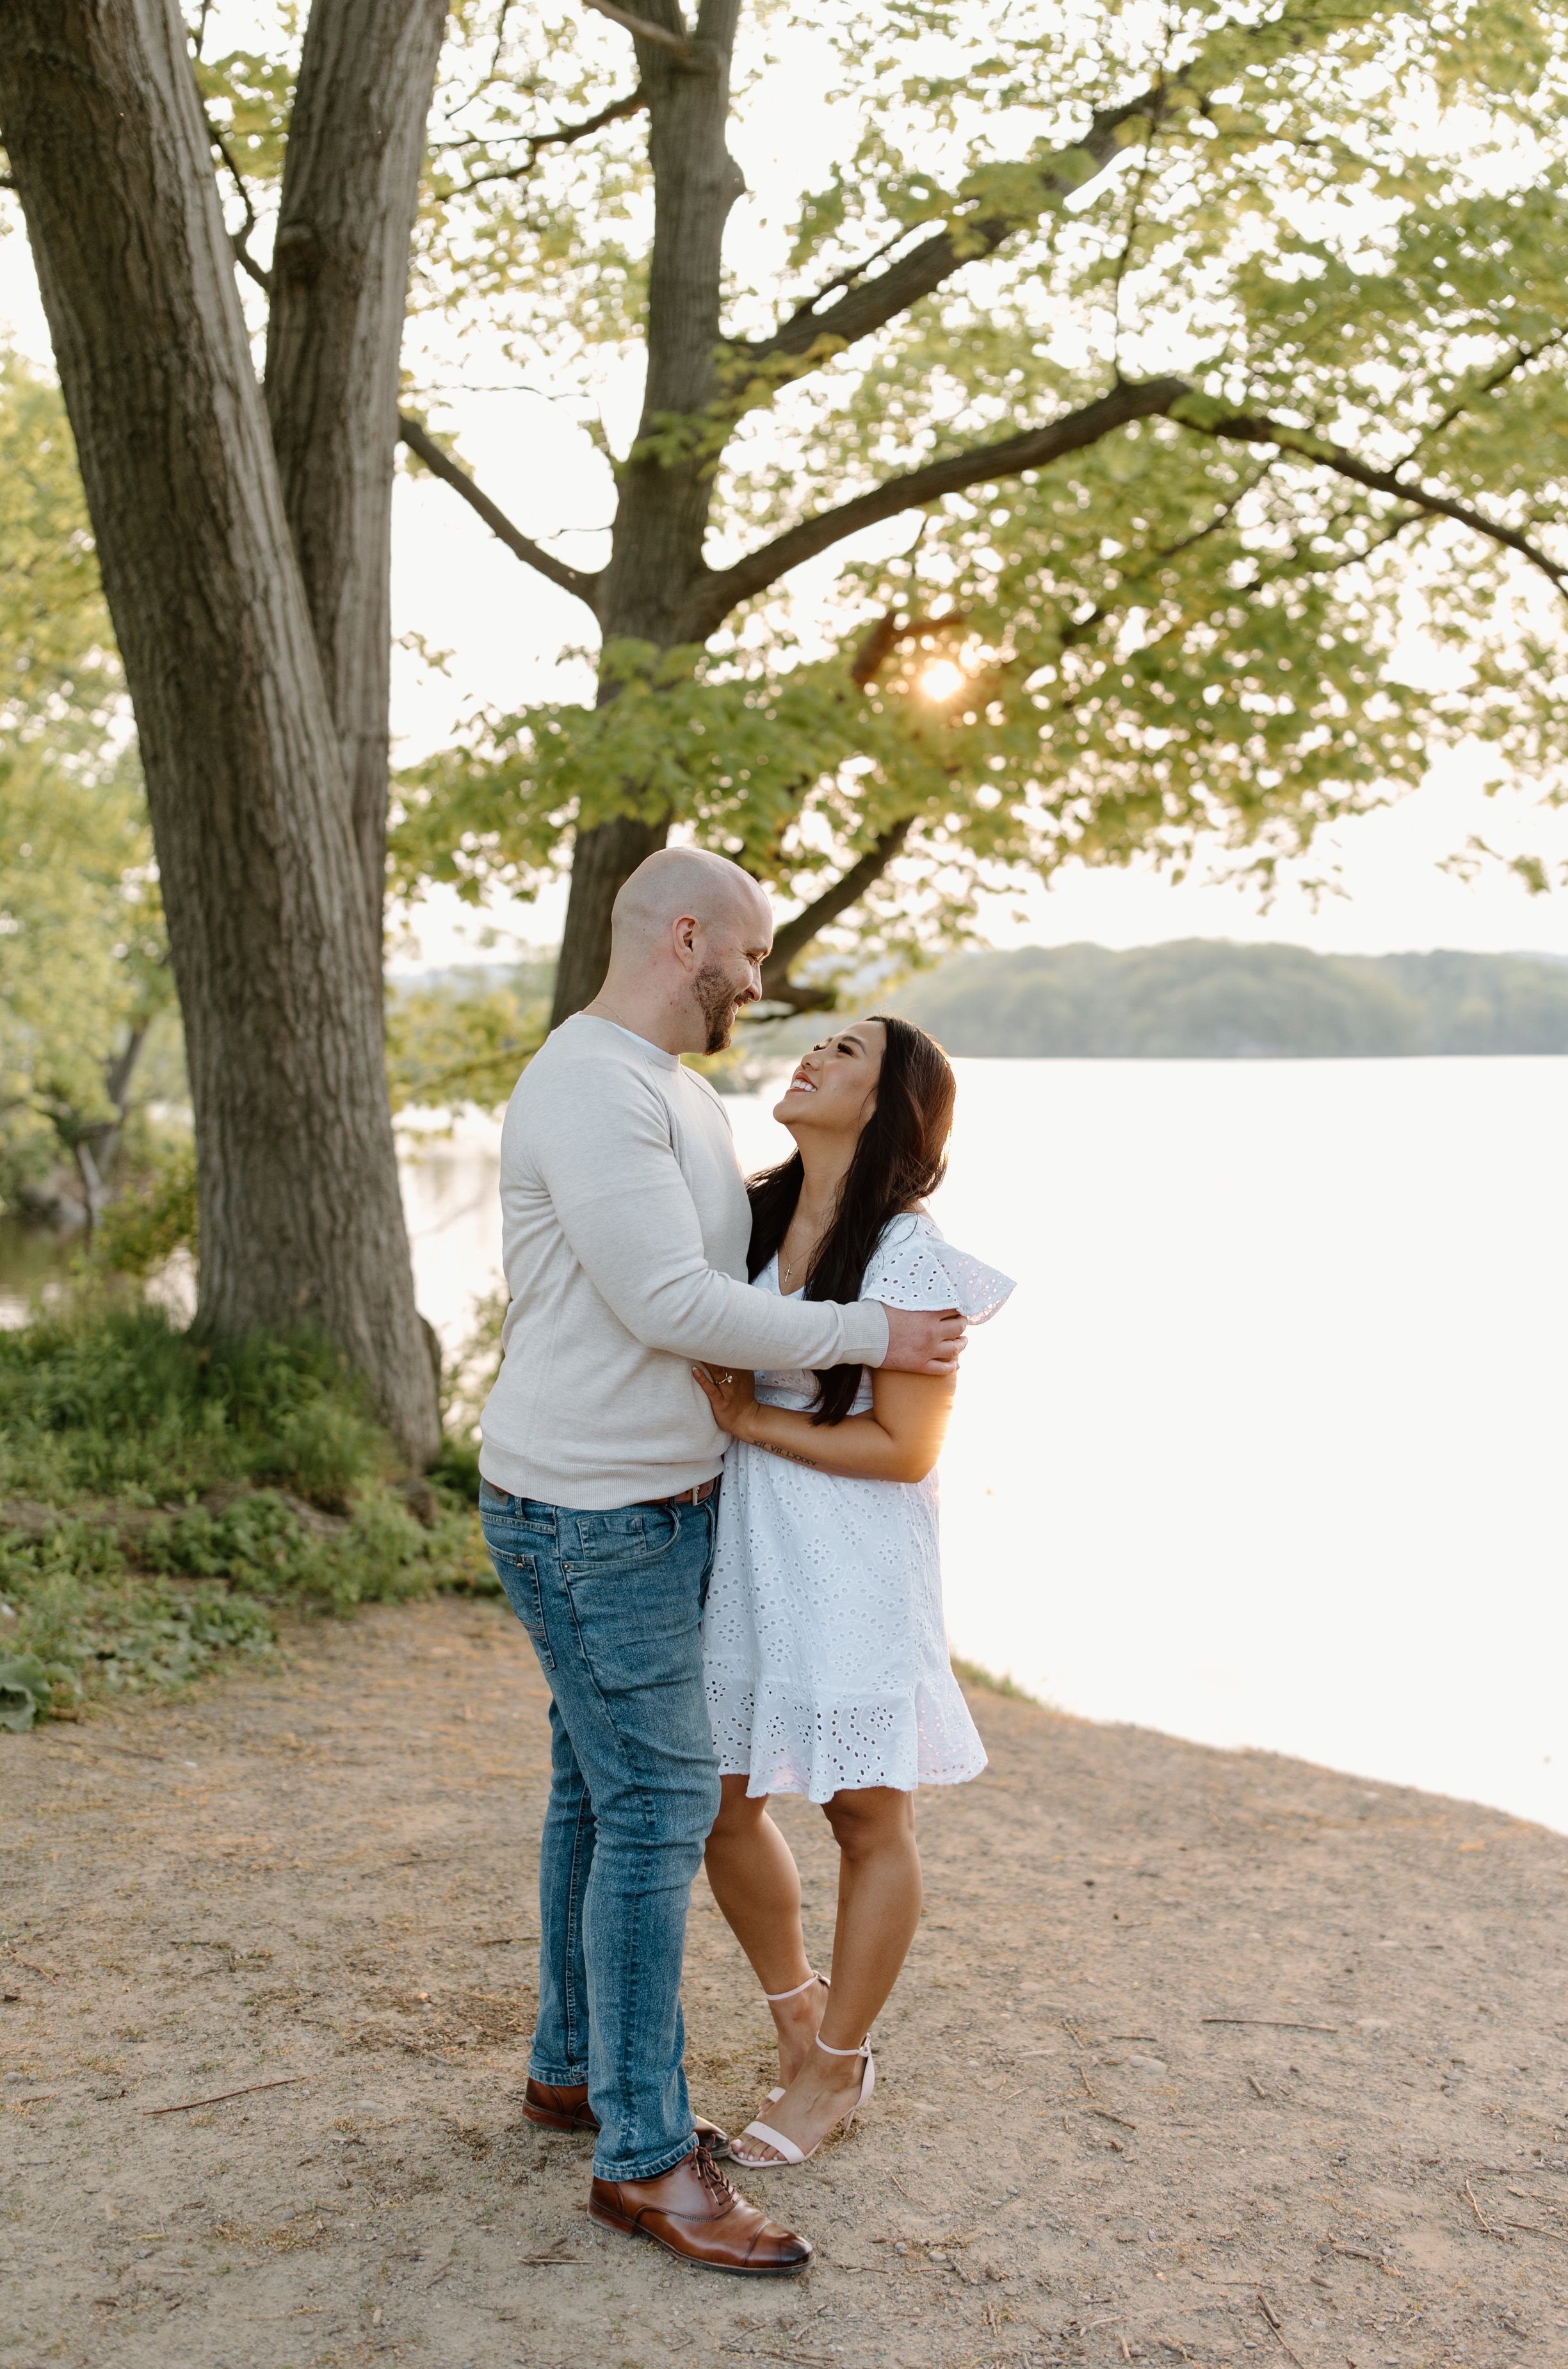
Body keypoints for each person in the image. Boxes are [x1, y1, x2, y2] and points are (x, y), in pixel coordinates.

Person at [475, 849, 969, 2277]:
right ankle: (642, 2157)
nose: (761, 987)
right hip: (590, 1508)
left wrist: (831, 1359)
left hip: (661, 1506)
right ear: (684, 936)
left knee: (599, 1789)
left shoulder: (677, 1093)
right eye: (747, 957)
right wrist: (869, 1341)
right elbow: (664, 1300)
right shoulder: (589, 1083)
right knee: (655, 1811)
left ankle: (571, 2070)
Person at [691, 1015, 1013, 2169]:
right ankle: (796, 2015)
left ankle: (837, 2060)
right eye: (816, 1040)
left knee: (866, 1814)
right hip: (751, 1545)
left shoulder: (907, 1253)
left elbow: (906, 1448)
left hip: (856, 1555)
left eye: (845, 1052)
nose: (812, 1055)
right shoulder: (751, 1215)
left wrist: (750, 1418)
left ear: (889, 1107)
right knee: (721, 1802)